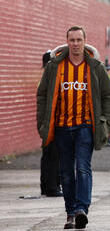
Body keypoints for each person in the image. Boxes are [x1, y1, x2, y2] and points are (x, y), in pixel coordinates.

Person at [36, 26, 110, 229]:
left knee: (82, 168)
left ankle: (81, 209)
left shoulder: (95, 67)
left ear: (85, 41)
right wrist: (43, 123)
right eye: (72, 40)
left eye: (79, 40)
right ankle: (70, 212)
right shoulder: (55, 66)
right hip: (62, 127)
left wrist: (105, 122)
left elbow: (108, 96)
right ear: (67, 42)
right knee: (66, 173)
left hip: (85, 127)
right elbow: (42, 95)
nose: (75, 44)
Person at [39, 50, 63, 197]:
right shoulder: (49, 78)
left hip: (48, 122)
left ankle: (46, 186)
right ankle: (52, 187)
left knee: (48, 155)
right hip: (52, 123)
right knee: (53, 155)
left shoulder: (45, 77)